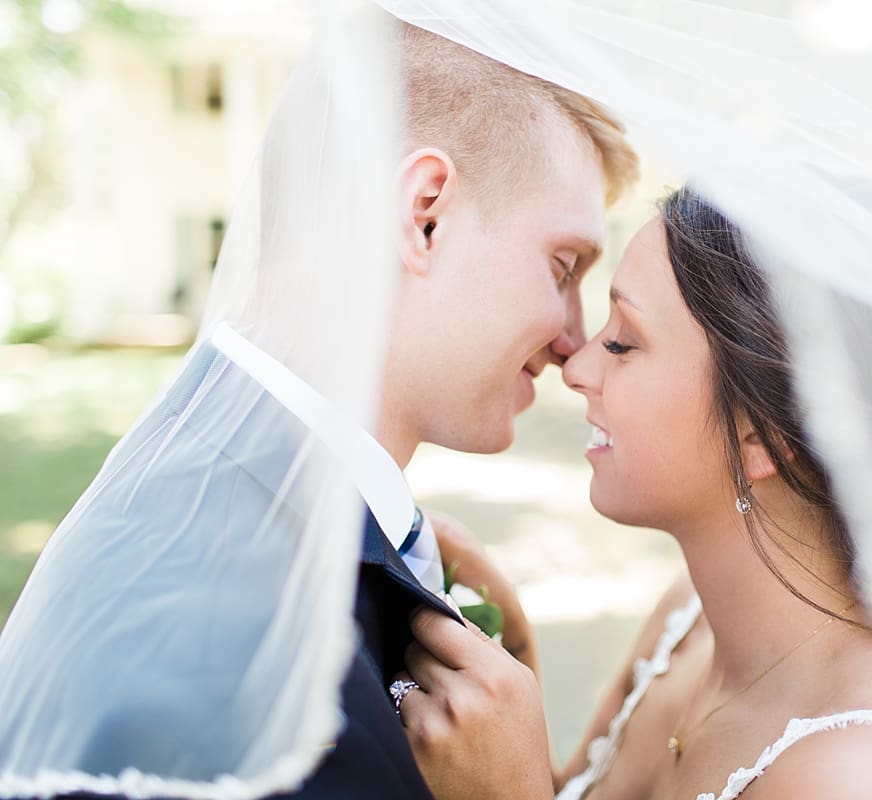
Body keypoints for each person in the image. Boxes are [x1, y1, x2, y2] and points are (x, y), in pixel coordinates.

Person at [0, 12, 637, 800]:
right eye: (565, 265)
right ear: (425, 215)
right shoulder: (268, 688)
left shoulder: (197, 461)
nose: (575, 340)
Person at [397, 186, 872, 800]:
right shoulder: (690, 620)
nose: (576, 368)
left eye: (623, 343)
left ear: (764, 435)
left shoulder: (861, 775)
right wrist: (515, 660)